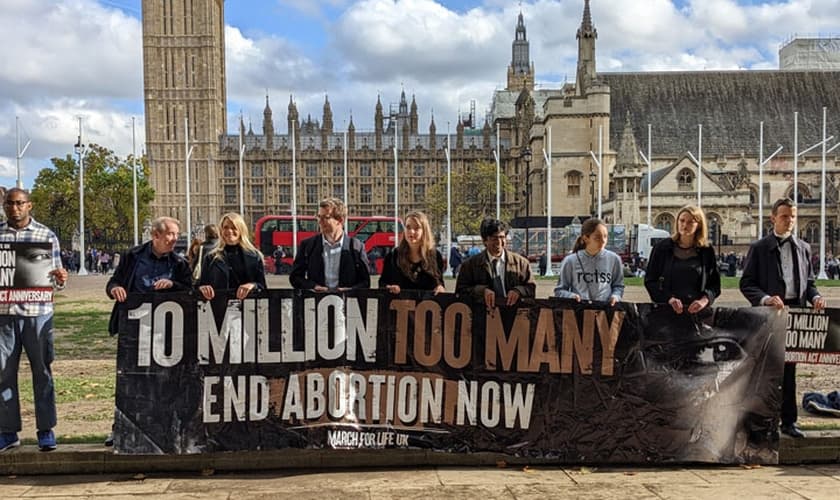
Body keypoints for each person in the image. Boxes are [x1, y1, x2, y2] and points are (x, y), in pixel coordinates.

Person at [740, 197, 826, 439]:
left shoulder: (804, 248)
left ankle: (788, 422)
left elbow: (809, 283)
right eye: (785, 216)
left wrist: (816, 297)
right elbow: (747, 283)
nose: (789, 221)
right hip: (769, 314)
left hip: (795, 314)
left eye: (793, 216)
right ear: (773, 218)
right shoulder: (759, 248)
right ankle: (761, 424)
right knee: (765, 370)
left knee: (789, 371)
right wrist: (766, 298)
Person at [104, 216, 192, 447]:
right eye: (170, 234)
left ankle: (163, 429)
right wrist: (116, 289)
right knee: (130, 380)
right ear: (155, 235)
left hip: (166, 330)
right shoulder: (132, 256)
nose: (175, 239)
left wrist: (173, 285)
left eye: (176, 234)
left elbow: (189, 290)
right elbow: (113, 282)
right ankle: (120, 429)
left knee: (166, 381)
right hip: (135, 329)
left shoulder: (179, 263)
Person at [0, 188, 68, 453]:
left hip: (37, 313)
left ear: (29, 205)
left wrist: (60, 279)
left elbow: (56, 280)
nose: (14, 208)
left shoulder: (46, 235)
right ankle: (8, 432)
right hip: (4, 315)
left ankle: (46, 430)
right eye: (9, 203)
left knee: (42, 372)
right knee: (4, 374)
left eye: (19, 203)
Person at [644, 205, 721, 314]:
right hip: (665, 311)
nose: (685, 225)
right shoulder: (661, 248)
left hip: (695, 313)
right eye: (682, 221)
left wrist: (704, 300)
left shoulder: (706, 251)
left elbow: (714, 285)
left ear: (699, 225)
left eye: (690, 222)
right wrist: (669, 299)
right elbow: (650, 281)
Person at [290, 198, 370, 291]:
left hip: (346, 299)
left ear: (340, 220)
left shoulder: (357, 247)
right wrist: (313, 286)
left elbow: (365, 282)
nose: (320, 221)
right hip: (317, 299)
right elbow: (295, 278)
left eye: (325, 217)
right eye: (319, 216)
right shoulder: (307, 245)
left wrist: (350, 290)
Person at [456, 218, 535, 309]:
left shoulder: (521, 263)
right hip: (483, 313)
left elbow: (531, 288)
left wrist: (518, 291)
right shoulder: (470, 265)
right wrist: (481, 291)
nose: (499, 242)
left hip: (515, 312)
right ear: (484, 240)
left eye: (502, 237)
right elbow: (460, 292)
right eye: (494, 238)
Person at [553, 218, 624, 305]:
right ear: (586, 238)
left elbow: (618, 286)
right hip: (580, 309)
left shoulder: (614, 259)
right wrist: (571, 296)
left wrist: (615, 296)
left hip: (605, 310)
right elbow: (559, 290)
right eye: (597, 238)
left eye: (605, 236)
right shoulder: (570, 261)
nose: (603, 241)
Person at [197, 213, 266, 301]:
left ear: (241, 230)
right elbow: (201, 284)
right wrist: (203, 288)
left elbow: (262, 286)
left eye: (234, 228)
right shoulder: (210, 257)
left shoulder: (255, 256)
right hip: (219, 305)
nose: (229, 231)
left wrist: (252, 285)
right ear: (221, 231)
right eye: (225, 227)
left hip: (248, 306)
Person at [379, 211, 445, 295]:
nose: (411, 231)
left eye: (416, 228)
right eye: (408, 227)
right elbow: (382, 284)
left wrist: (440, 288)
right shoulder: (393, 256)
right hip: (400, 302)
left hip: (426, 303)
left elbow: (439, 283)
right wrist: (389, 288)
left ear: (424, 231)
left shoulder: (435, 256)